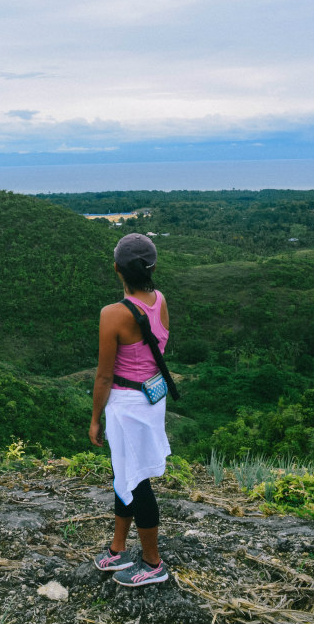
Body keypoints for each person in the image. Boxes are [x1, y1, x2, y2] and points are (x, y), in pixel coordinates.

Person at [89, 232, 171, 587]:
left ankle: (153, 562)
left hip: (126, 404)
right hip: (152, 397)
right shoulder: (160, 300)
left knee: (137, 482)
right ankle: (118, 547)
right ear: (151, 267)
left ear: (117, 269)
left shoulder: (113, 314)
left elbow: (105, 375)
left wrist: (94, 419)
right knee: (126, 474)